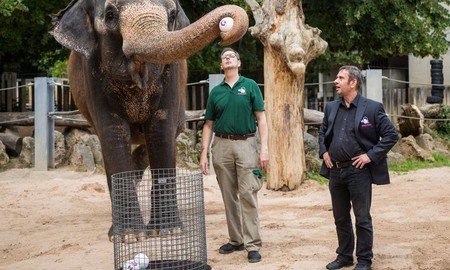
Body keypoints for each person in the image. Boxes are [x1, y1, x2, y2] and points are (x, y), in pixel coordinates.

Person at [318, 66, 398, 270]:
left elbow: (391, 135)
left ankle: (364, 261)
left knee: (362, 218)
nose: (336, 81)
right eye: (336, 77)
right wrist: (324, 152)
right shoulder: (331, 107)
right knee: (340, 217)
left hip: (358, 172)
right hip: (335, 171)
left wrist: (370, 156)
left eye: (340, 78)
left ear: (352, 82)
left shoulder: (372, 108)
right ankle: (344, 256)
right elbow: (322, 132)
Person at [200, 47, 269, 263]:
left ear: (238, 63)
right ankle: (236, 239)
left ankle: (253, 245)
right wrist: (204, 153)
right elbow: (208, 124)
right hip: (221, 146)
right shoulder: (216, 92)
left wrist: (264, 147)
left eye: (231, 56)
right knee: (228, 195)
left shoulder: (250, 86)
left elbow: (261, 118)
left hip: (246, 144)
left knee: (248, 193)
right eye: (224, 57)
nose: (228, 59)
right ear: (222, 66)